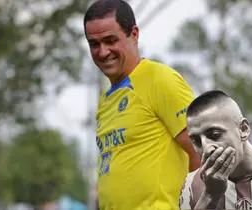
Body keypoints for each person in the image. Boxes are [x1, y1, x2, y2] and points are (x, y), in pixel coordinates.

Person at [83, 0, 200, 209]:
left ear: (134, 34)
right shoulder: (106, 101)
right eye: (94, 44)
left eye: (111, 40)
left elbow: (202, 152)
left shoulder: (160, 80)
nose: (102, 52)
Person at [180, 90, 252, 209]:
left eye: (214, 135)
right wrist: (210, 196)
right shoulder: (190, 185)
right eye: (196, 141)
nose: (206, 148)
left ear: (243, 129)